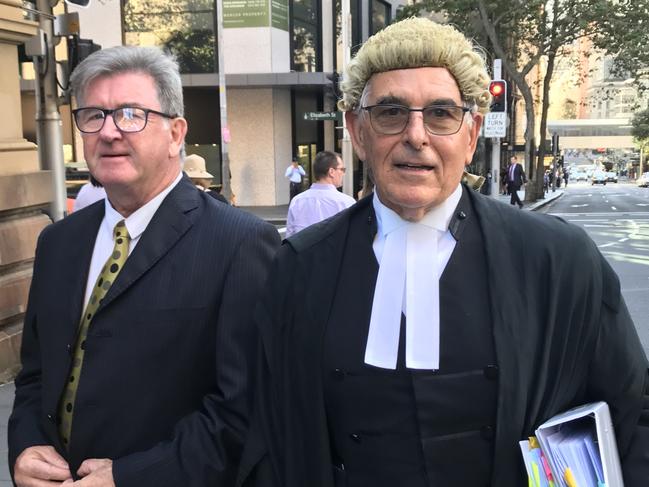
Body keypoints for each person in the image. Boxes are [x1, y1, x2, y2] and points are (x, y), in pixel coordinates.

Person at [237, 17, 649, 487]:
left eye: (440, 113)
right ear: (357, 131)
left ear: (471, 133)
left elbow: (634, 412)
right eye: (390, 112)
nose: (416, 135)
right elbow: (269, 434)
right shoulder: (300, 267)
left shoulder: (559, 261)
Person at [8, 46, 280, 487]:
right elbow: (36, 376)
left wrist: (130, 477)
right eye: (93, 115)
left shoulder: (241, 243)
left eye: (131, 114)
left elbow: (243, 410)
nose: (110, 132)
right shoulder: (58, 242)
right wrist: (24, 447)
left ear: (176, 134)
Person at [285, 151, 355, 237]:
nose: (343, 173)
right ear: (331, 172)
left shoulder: (297, 201)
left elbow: (289, 237)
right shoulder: (346, 202)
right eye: (342, 169)